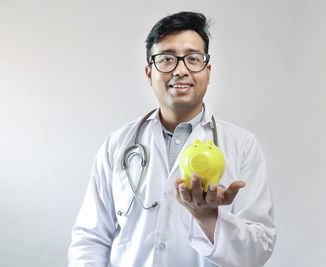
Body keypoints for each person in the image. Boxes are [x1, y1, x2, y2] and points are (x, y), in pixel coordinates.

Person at [68, 11, 276, 267]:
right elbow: (90, 239)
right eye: (167, 59)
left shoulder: (242, 146)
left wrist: (208, 219)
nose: (181, 70)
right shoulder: (117, 146)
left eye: (193, 58)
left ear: (207, 72)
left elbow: (257, 251)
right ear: (148, 73)